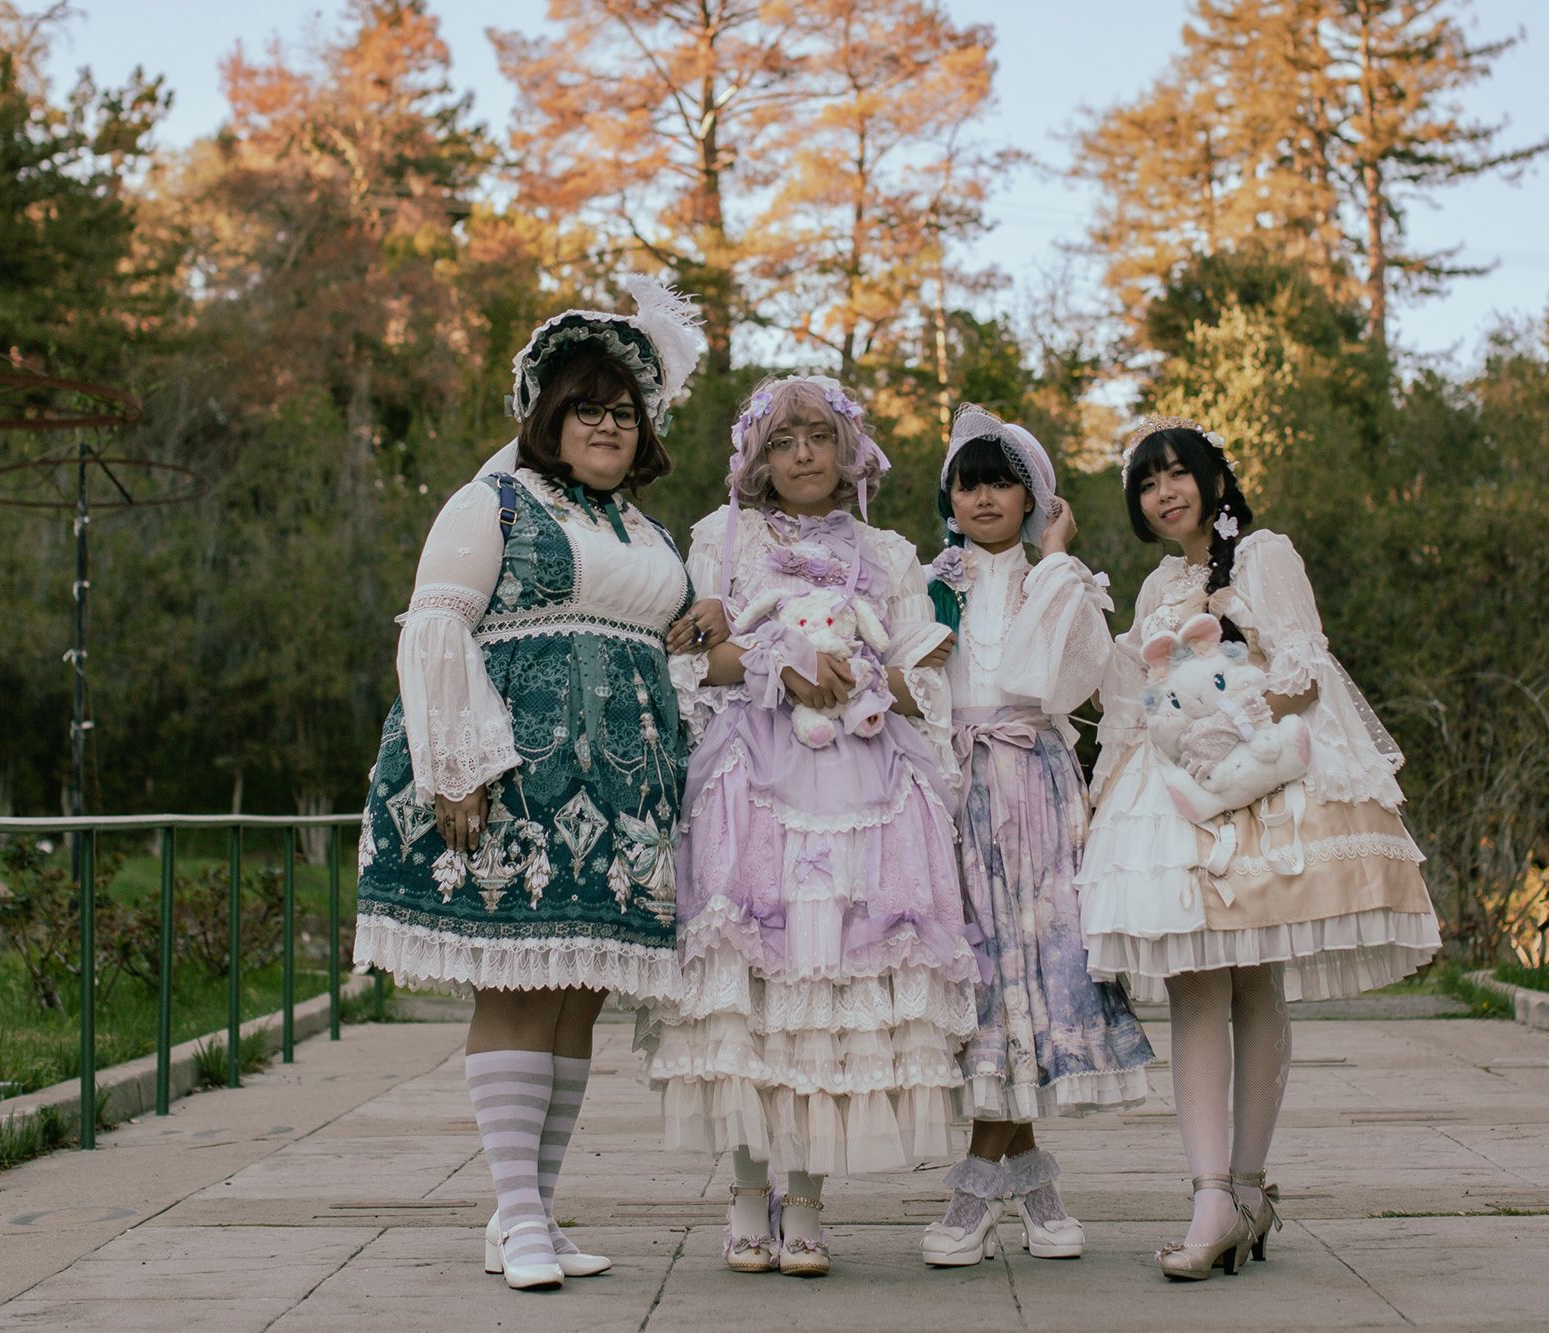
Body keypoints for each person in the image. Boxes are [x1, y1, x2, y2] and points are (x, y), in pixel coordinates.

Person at [354, 280, 724, 1291]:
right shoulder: (493, 502)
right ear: (547, 417)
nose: (606, 424)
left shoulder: (642, 529)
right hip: (519, 773)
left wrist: (702, 629)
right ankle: (514, 1214)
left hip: (623, 792)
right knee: (517, 988)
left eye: (621, 411)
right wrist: (457, 766)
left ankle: (537, 1210)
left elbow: (665, 653)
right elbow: (434, 625)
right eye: (585, 408)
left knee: (574, 1001)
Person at [1077, 418, 1441, 1281]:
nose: (1165, 493)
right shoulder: (1157, 585)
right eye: (1147, 484)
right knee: (1195, 982)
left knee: (1255, 978)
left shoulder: (1265, 554)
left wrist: (1229, 719)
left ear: (1212, 478)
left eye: (1177, 475)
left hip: (1263, 782)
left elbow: (1305, 671)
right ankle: (1211, 1195)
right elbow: (1131, 703)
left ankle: (1245, 1188)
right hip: (1175, 793)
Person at [647, 375, 974, 1278]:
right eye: (783, 439)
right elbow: (686, 659)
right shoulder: (721, 541)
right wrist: (778, 661)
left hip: (863, 789)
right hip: (751, 790)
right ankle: (748, 1195)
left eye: (818, 437)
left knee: (824, 989)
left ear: (849, 452)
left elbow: (928, 679)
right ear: (756, 454)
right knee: (751, 990)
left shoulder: (890, 553)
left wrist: (863, 679)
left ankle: (807, 1200)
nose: (801, 454)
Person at [919, 406, 1154, 1267]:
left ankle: (981, 1178)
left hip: (1039, 787)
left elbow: (1043, 680)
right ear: (948, 495)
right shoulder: (927, 580)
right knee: (983, 973)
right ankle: (1028, 1177)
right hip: (954, 789)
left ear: (1034, 497)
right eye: (968, 481)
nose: (983, 496)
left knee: (1035, 966)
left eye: (1002, 481)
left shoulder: (1065, 583)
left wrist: (1055, 562)